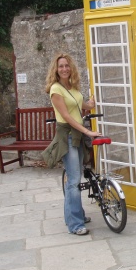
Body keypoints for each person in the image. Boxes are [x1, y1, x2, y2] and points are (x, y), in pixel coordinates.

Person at [43, 53, 101, 235]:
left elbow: (82, 105)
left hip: (77, 135)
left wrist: (91, 102)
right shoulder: (55, 89)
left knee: (75, 178)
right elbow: (67, 116)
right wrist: (88, 131)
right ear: (56, 69)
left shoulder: (72, 88)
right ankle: (75, 224)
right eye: (61, 66)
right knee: (74, 181)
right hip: (68, 136)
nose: (64, 69)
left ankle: (77, 215)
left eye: (67, 65)